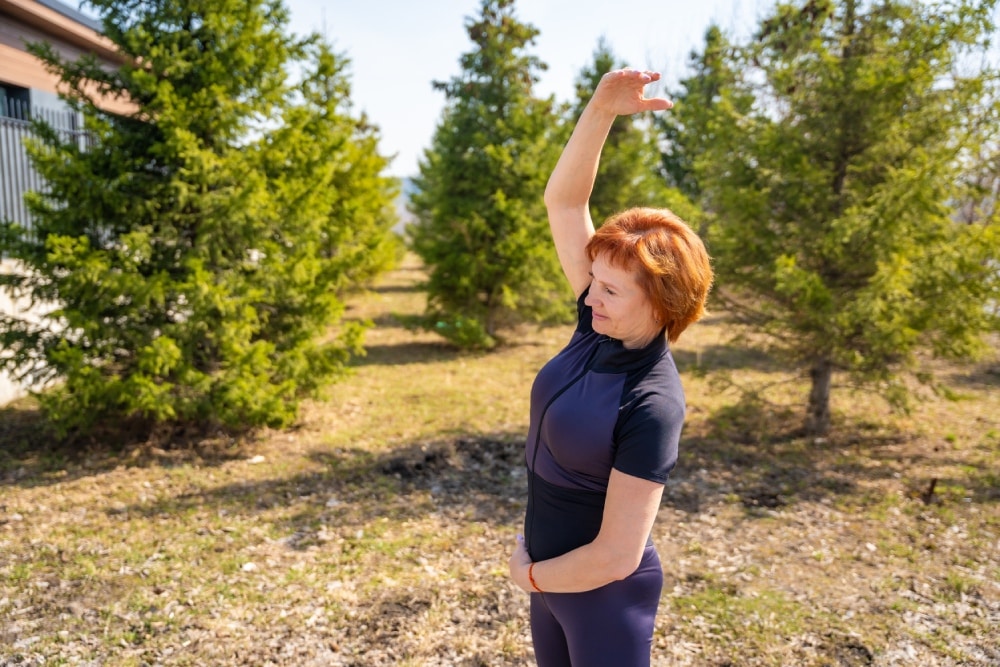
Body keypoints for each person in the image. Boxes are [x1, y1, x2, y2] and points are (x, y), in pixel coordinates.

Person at [507, 68, 713, 667]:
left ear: (663, 303)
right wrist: (601, 109)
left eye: (611, 290)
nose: (590, 296)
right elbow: (566, 201)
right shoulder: (593, 325)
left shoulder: (653, 402)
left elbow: (617, 556)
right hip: (550, 578)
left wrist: (533, 578)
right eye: (592, 281)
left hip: (602, 595)